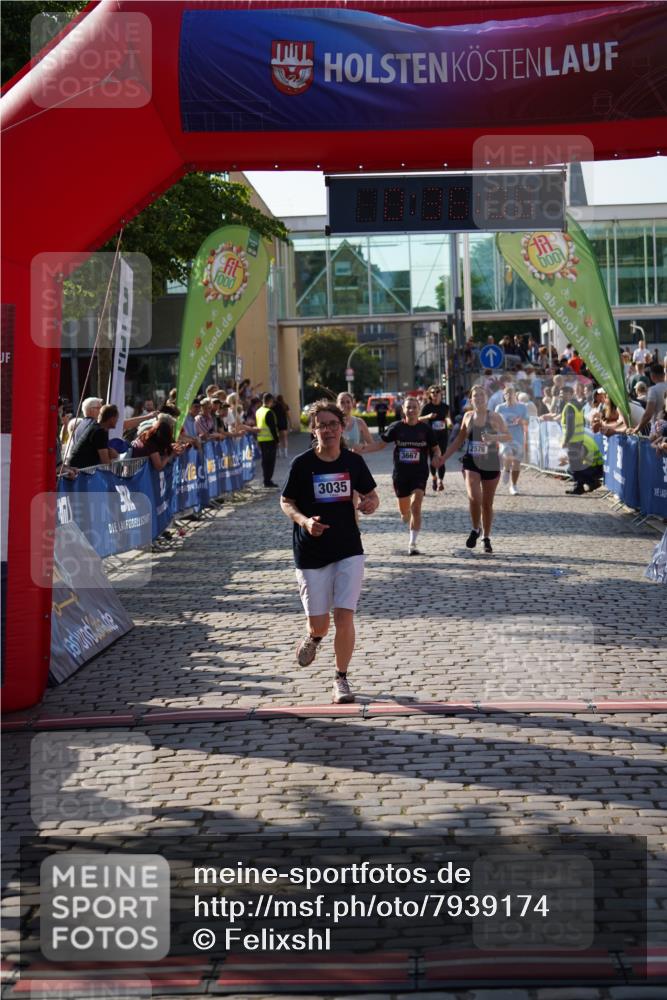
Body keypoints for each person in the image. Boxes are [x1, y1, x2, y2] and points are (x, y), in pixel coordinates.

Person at [280, 400, 379, 704]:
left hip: (348, 547)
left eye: (333, 424)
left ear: (342, 427)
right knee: (320, 623)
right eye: (321, 425)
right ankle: (314, 637)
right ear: (314, 430)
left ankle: (341, 679)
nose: (328, 430)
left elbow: (372, 495)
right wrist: (304, 521)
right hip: (311, 552)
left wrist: (370, 503)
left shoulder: (353, 462)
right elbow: (286, 501)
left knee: (345, 616)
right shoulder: (302, 464)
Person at [441, 385, 511, 554]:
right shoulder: (468, 416)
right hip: (471, 461)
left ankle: (486, 537)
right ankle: (475, 528)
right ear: (471, 399)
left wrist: (493, 437)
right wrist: (443, 458)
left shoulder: (494, 417)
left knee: (487, 504)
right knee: (474, 497)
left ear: (486, 398)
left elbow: (508, 436)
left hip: (490, 462)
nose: (478, 398)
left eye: (481, 395)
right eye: (475, 396)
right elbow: (459, 440)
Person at [380, 395, 444, 555]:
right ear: (403, 409)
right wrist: (363, 448)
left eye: (414, 407)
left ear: (419, 409)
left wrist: (437, 456)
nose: (411, 410)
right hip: (400, 474)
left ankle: (412, 543)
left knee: (416, 505)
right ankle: (405, 513)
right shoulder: (396, 427)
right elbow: (380, 444)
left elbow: (436, 448)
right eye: (408, 407)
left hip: (419, 473)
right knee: (404, 513)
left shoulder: (425, 429)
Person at [560, 384, 603, 494]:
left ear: (570, 394)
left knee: (575, 468)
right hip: (579, 439)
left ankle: (591, 482)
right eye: (560, 394)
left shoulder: (569, 407)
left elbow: (570, 426)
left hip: (573, 440)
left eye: (563, 394)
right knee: (577, 466)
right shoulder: (578, 405)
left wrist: (566, 440)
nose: (561, 396)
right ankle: (579, 487)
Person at [496, 384, 528, 495]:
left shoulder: (522, 407)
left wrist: (521, 421)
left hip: (518, 438)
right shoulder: (500, 408)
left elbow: (527, 421)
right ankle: (506, 469)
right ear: (504, 396)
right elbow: (495, 422)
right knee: (508, 455)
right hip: (505, 438)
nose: (509, 396)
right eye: (507, 394)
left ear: (515, 395)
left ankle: (513, 485)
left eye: (511, 394)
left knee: (517, 463)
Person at [68, 404, 120, 469]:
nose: (117, 420)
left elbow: (102, 449)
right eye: (117, 418)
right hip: (78, 470)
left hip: (78, 468)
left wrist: (111, 452)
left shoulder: (96, 427)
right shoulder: (100, 431)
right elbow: (105, 462)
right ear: (112, 418)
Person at [419, 385, 450, 492]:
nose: (435, 394)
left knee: (441, 458)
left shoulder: (445, 407)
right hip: (431, 436)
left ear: (441, 394)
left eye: (437, 392)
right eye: (433, 392)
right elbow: (418, 419)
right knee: (433, 458)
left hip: (443, 436)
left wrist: (449, 422)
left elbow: (448, 417)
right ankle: (434, 477)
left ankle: (441, 481)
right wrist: (427, 417)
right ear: (430, 395)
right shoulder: (427, 407)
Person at [336, 392, 383, 456]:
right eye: (342, 402)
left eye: (348, 402)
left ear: (352, 404)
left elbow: (372, 445)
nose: (345, 405)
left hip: (354, 460)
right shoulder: (333, 422)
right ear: (337, 405)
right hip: (337, 461)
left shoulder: (359, 422)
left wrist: (362, 447)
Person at [255, 392, 280, 487]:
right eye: (272, 401)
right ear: (270, 401)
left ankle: (266, 480)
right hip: (270, 440)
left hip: (261, 440)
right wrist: (277, 440)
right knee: (270, 462)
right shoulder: (269, 412)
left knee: (265, 461)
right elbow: (272, 428)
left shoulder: (258, 411)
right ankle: (268, 481)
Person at [273, 394, 292, 458]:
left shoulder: (274, 406)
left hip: (277, 424)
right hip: (284, 424)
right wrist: (290, 424)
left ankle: (279, 453)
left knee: (278, 439)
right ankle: (285, 453)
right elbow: (288, 416)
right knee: (285, 438)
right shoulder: (285, 406)